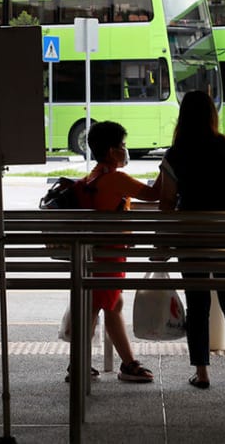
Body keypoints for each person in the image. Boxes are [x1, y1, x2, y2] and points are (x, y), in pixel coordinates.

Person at [158, 90, 225, 389]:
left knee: (197, 303)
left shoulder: (176, 153)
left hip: (192, 236)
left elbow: (166, 202)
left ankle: (202, 373)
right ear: (212, 114)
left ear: (182, 116)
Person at [72, 120, 160, 383]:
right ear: (111, 150)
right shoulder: (116, 179)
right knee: (99, 308)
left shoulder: (94, 176)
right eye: (122, 146)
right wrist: (166, 168)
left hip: (97, 252)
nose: (125, 151)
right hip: (109, 254)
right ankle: (103, 365)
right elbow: (154, 194)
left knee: (109, 306)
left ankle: (99, 363)